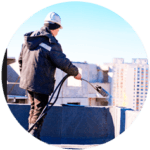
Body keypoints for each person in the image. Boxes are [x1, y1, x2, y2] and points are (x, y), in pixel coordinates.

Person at [18, 12, 81, 140]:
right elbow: (62, 61)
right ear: (55, 27)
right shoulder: (50, 43)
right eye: (58, 29)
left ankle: (31, 136)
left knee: (33, 108)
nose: (58, 32)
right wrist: (76, 73)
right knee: (39, 111)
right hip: (41, 83)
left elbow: (21, 60)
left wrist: (26, 76)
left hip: (28, 82)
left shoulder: (30, 39)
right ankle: (34, 138)